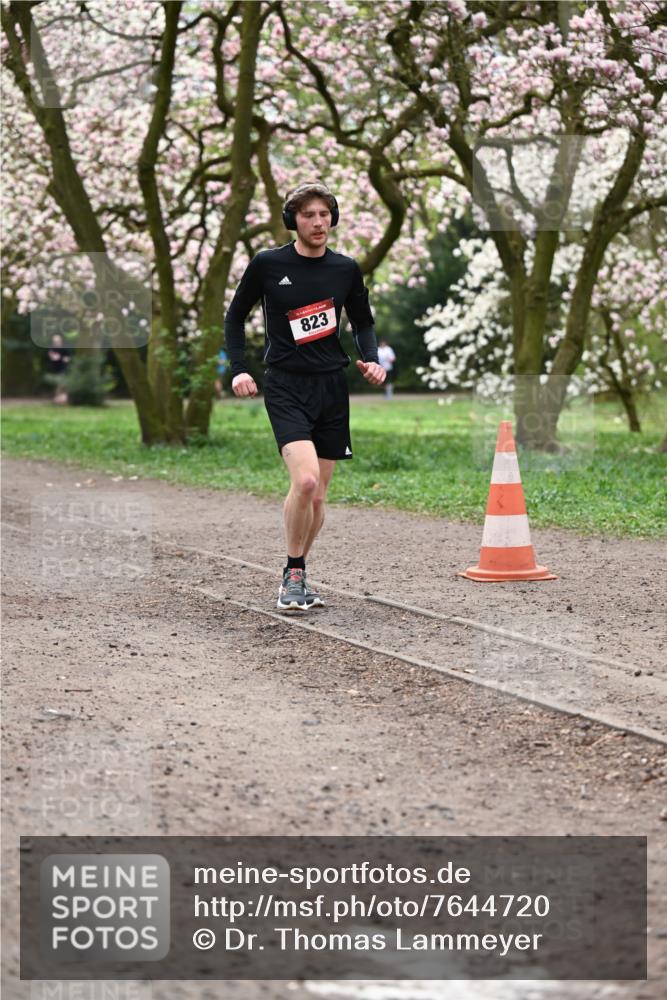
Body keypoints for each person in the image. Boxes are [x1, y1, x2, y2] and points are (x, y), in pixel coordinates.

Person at [224, 181, 386, 612]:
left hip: (332, 387)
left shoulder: (345, 268)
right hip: (285, 385)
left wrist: (369, 358)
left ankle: (299, 575)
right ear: (292, 221)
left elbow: (363, 321)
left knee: (318, 496)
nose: (318, 223)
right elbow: (235, 317)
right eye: (308, 215)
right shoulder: (267, 264)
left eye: (324, 214)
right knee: (306, 479)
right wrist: (240, 368)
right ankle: (293, 572)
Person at [46, 333, 72, 404]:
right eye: (54, 341)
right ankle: (57, 399)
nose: (56, 342)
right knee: (58, 385)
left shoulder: (65, 348)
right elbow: (51, 357)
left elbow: (67, 358)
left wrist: (61, 358)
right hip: (54, 369)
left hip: (63, 369)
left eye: (57, 341)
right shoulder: (52, 349)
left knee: (61, 384)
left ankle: (57, 399)